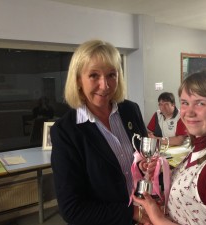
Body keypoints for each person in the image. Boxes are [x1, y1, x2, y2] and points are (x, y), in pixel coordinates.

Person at [50, 39, 154, 225]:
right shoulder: (65, 131)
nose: (105, 85)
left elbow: (143, 161)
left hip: (146, 215)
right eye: (94, 75)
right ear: (78, 80)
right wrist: (131, 213)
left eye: (111, 75)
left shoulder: (130, 110)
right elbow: (72, 209)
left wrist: (149, 168)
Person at [133, 69, 206, 225]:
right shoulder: (199, 149)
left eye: (200, 103)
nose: (189, 112)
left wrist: (158, 218)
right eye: (185, 103)